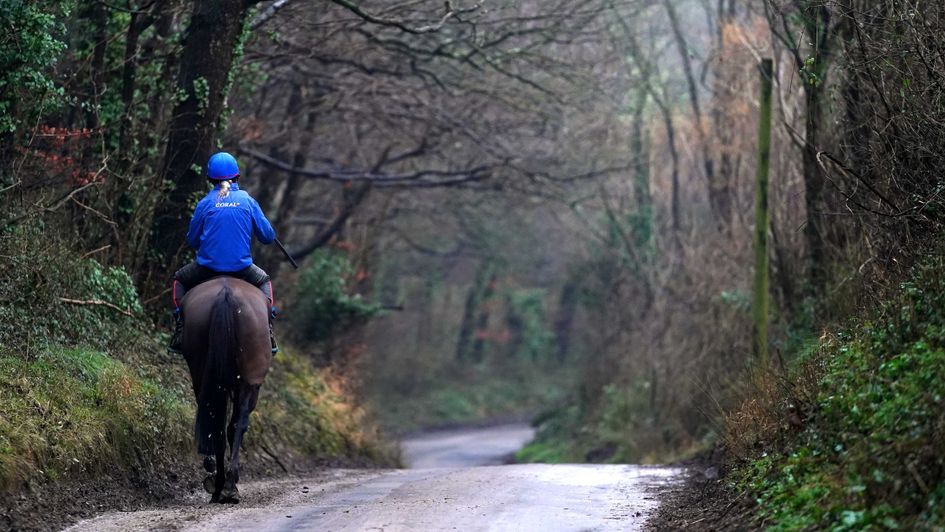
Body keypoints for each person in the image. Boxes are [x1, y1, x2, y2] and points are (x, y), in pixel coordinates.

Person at [168, 151, 278, 354]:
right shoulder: (247, 201)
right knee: (264, 282)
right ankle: (268, 330)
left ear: (210, 179)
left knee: (179, 281)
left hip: (206, 268)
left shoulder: (204, 204)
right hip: (242, 269)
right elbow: (267, 237)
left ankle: (180, 328)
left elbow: (192, 240)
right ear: (237, 176)